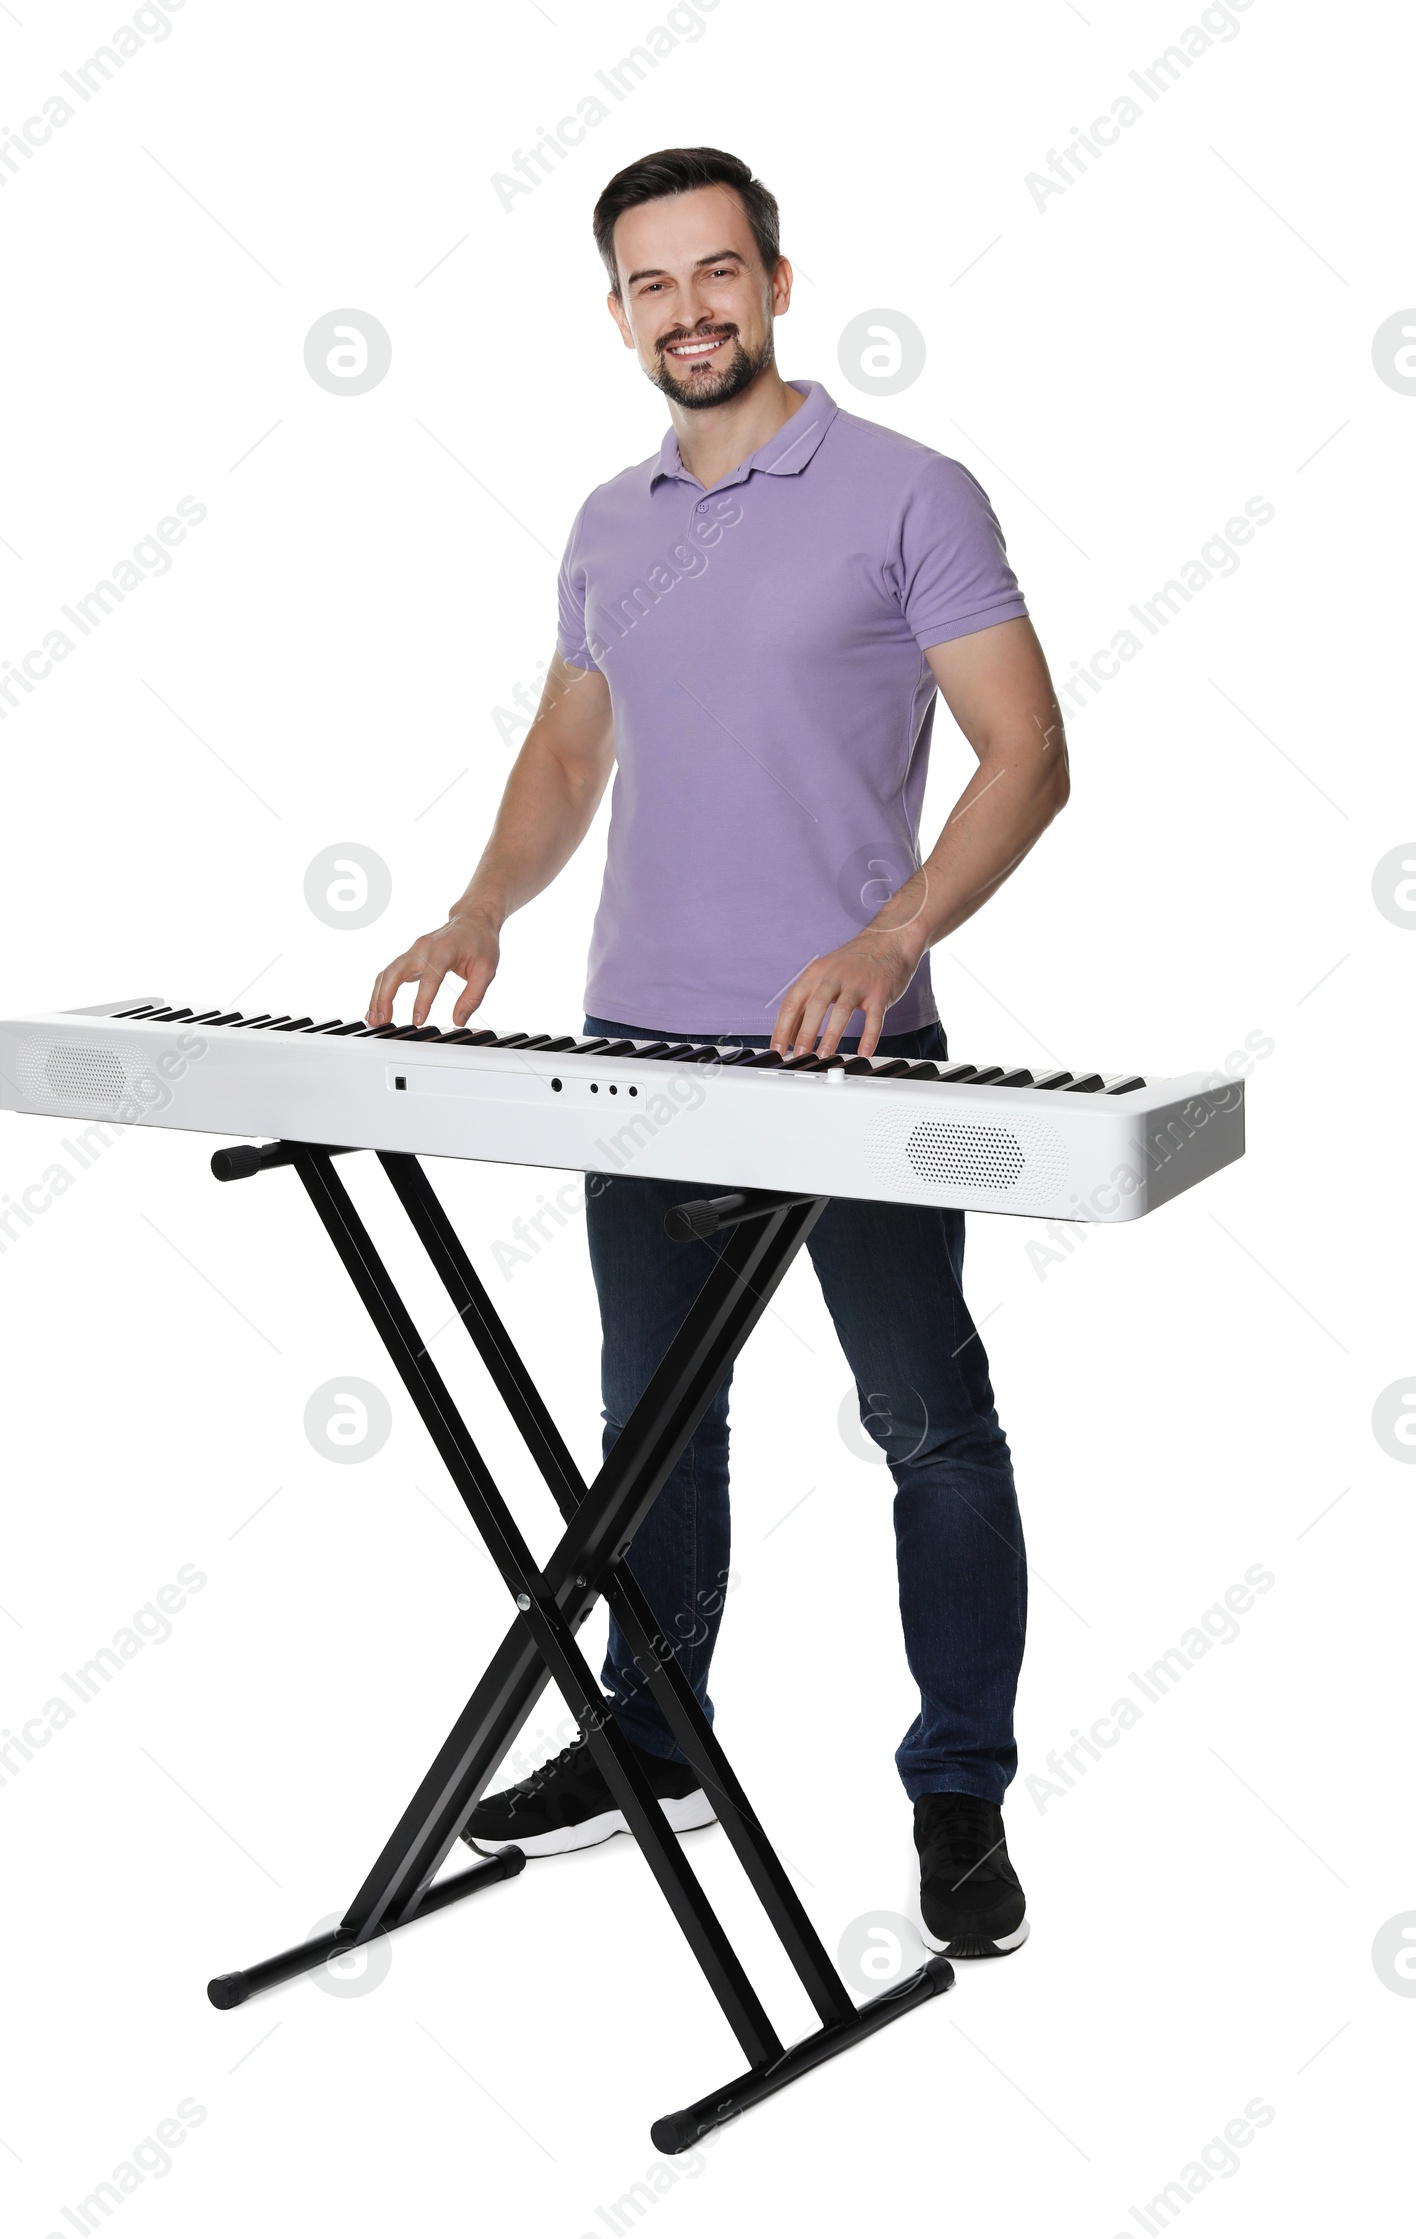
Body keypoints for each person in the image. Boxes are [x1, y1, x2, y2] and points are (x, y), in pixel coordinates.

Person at [366, 146, 1070, 1958]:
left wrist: (892, 934)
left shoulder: (911, 493)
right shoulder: (608, 524)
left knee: (931, 1426)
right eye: (651, 284)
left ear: (776, 278)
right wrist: (478, 908)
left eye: (718, 272)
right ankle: (651, 1748)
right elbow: (562, 756)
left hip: (857, 1059)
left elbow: (1025, 753)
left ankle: (959, 1790)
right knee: (651, 1426)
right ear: (616, 312)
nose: (690, 309)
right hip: (637, 1049)